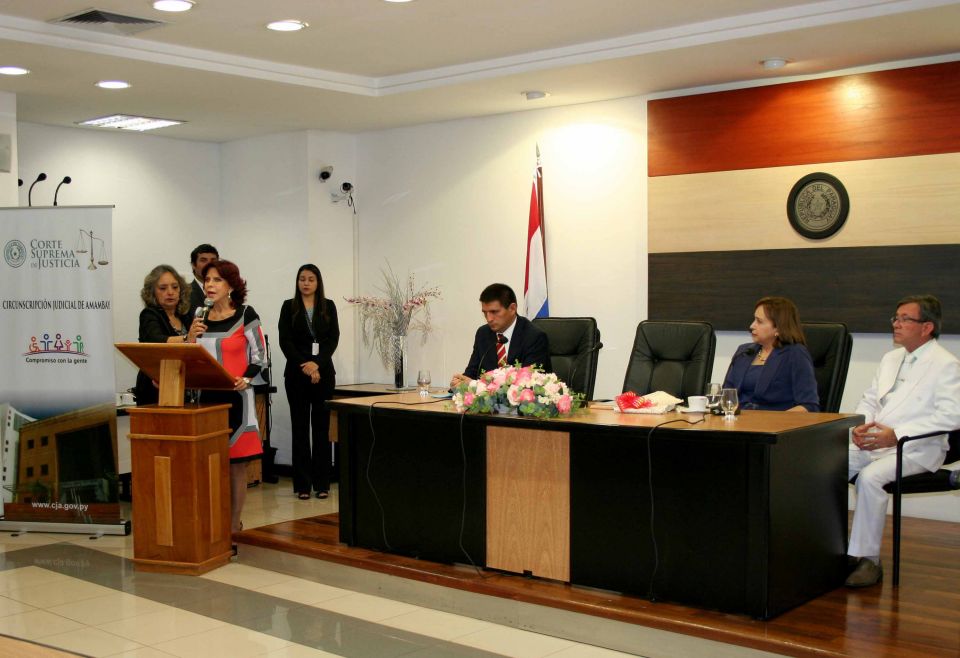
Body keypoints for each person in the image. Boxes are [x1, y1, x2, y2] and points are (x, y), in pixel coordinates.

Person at [846, 294, 960, 587]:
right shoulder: (890, 358)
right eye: (895, 318)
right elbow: (870, 398)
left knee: (870, 478)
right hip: (877, 443)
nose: (896, 324)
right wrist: (861, 426)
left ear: (927, 327)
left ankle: (868, 559)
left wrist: (896, 435)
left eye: (905, 319)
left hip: (917, 447)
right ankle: (830, 549)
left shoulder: (946, 364)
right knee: (826, 465)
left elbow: (951, 417)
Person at [191, 259, 266, 534]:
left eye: (217, 280)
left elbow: (260, 356)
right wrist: (189, 337)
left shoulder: (245, 314)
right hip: (205, 399)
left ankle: (234, 525)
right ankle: (212, 523)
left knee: (235, 465)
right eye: (207, 280)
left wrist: (247, 377)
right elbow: (189, 355)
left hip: (237, 398)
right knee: (209, 464)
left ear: (231, 285)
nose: (209, 285)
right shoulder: (199, 315)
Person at [278, 265, 340, 500]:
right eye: (302, 279)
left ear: (318, 282)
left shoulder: (328, 306)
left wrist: (317, 364)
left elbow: (333, 339)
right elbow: (285, 341)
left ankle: (322, 484)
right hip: (296, 374)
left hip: (323, 374)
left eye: (311, 279)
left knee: (322, 429)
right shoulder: (289, 306)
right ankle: (303, 485)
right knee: (300, 429)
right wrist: (305, 365)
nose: (306, 283)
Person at [722, 296, 819, 412]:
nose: (752, 326)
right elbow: (726, 396)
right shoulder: (744, 351)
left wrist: (777, 420)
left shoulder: (795, 354)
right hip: (738, 420)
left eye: (759, 321)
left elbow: (808, 405)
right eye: (754, 320)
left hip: (775, 421)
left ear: (778, 328)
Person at [450, 283, 551, 388]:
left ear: (512, 308)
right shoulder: (483, 333)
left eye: (494, 312)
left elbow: (527, 385)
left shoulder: (534, 337)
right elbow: (472, 372)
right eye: (485, 313)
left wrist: (474, 384)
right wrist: (460, 382)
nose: (489, 319)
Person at [134, 264, 202, 405]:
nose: (170, 292)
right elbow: (156, 340)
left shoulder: (185, 316)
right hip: (155, 388)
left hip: (183, 385)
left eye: (175, 287)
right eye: (163, 288)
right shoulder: (149, 314)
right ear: (152, 292)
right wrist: (186, 338)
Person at [188, 243, 219, 317]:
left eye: (213, 260)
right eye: (203, 260)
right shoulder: (184, 293)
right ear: (193, 265)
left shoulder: (225, 292)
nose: (209, 264)